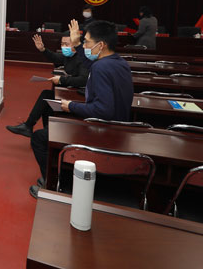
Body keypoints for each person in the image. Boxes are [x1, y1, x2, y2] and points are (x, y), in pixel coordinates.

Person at [28, 20, 133, 198]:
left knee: (40, 138)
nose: (84, 46)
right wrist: (76, 43)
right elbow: (92, 66)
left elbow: (103, 110)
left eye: (87, 42)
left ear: (101, 45)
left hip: (102, 131)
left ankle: (54, 186)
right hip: (120, 129)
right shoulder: (118, 62)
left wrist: (71, 106)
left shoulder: (101, 68)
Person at [6, 31, 89, 138]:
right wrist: (43, 49)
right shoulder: (69, 56)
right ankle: (37, 129)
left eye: (66, 44)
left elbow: (83, 80)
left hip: (78, 96)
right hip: (69, 90)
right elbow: (55, 57)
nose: (64, 47)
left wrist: (61, 80)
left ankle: (33, 128)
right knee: (46, 98)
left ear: (76, 44)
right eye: (62, 44)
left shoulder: (82, 58)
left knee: (46, 97)